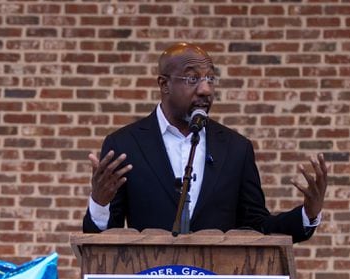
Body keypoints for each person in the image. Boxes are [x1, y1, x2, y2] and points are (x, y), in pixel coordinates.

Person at [82, 43, 328, 243]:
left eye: (210, 79)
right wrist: (100, 203)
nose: (205, 89)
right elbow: (103, 240)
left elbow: (256, 226)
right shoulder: (126, 143)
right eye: (192, 79)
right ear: (164, 84)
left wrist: (307, 214)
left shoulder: (236, 148)